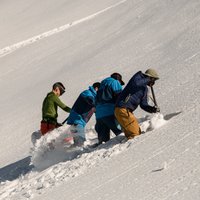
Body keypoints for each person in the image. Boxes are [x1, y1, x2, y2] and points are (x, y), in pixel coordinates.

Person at [114, 68, 160, 140]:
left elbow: (143, 104)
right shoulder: (138, 76)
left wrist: (152, 109)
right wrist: (148, 79)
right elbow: (135, 84)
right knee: (136, 134)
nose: (153, 82)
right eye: (154, 80)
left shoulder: (145, 89)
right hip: (122, 109)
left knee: (133, 134)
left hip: (126, 111)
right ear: (149, 77)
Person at [94, 73, 125, 145]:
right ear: (118, 79)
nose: (120, 84)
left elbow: (95, 101)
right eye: (120, 83)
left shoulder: (102, 85)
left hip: (99, 115)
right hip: (109, 112)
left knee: (103, 142)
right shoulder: (114, 82)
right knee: (121, 134)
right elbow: (119, 97)